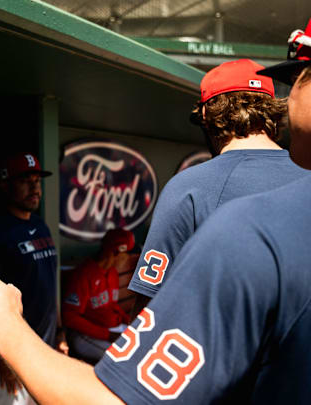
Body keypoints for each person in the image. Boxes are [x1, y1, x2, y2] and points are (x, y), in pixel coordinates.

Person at [0, 18, 311, 404]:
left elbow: (146, 319)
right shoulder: (300, 183)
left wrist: (2, 326)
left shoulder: (191, 188)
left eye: (301, 75)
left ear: (208, 117)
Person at [128, 58, 308, 314]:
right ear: (272, 107)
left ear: (205, 114)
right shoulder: (306, 173)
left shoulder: (190, 186)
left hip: (226, 349)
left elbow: (150, 305)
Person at [0, 153, 66, 405]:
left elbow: (50, 284)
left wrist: (59, 333)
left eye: (37, 180)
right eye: (25, 181)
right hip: (12, 350)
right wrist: (3, 357)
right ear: (6, 185)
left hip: (44, 346)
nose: (34, 187)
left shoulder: (41, 225)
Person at [61, 229, 135, 363]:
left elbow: (111, 305)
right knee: (124, 360)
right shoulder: (83, 276)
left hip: (110, 330)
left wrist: (128, 321)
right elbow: (70, 317)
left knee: (142, 347)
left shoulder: (112, 272)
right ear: (114, 253)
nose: (128, 258)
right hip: (84, 336)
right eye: (127, 254)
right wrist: (108, 335)